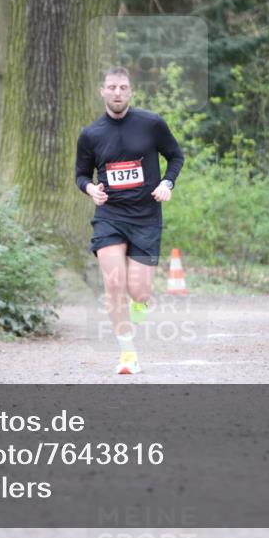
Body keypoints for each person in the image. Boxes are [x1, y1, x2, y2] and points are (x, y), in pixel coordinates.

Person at [75, 67, 184, 374]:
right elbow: (81, 175)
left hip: (147, 217)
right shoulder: (91, 134)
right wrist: (90, 189)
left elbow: (176, 156)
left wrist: (166, 184)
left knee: (140, 292)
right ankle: (127, 355)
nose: (117, 92)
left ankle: (138, 305)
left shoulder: (151, 124)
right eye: (112, 87)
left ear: (130, 91)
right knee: (113, 282)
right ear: (102, 91)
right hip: (110, 216)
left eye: (123, 87)